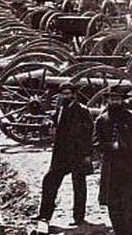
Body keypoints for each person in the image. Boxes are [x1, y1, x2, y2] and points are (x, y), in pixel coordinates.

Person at [94, 86, 132, 235]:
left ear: (122, 100)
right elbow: (96, 143)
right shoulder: (101, 120)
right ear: (108, 100)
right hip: (111, 167)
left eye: (117, 99)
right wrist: (111, 146)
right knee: (113, 201)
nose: (115, 101)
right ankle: (120, 234)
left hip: (130, 165)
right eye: (112, 99)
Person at [37, 83, 94, 227]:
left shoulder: (82, 111)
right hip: (61, 154)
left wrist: (87, 154)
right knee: (50, 181)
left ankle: (79, 218)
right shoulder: (61, 108)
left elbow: (89, 135)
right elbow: (54, 119)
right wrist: (50, 122)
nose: (66, 96)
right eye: (63, 93)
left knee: (79, 185)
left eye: (68, 93)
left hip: (77, 153)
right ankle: (44, 215)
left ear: (74, 94)